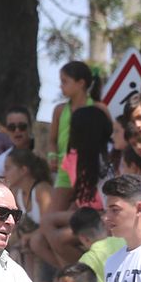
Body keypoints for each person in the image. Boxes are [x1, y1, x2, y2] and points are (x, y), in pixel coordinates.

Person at [49, 61, 103, 209]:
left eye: (65, 81)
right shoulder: (59, 110)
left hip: (89, 169)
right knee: (53, 213)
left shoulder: (98, 108)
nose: (61, 86)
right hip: (64, 169)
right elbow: (52, 140)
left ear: (80, 83)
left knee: (83, 212)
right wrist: (52, 156)